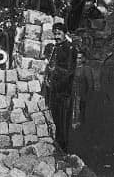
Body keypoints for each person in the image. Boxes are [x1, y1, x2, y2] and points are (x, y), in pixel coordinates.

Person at [43, 23, 76, 152]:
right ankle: (57, 146)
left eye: (59, 34)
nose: (56, 37)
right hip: (54, 90)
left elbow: (69, 71)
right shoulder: (55, 48)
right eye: (54, 34)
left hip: (64, 91)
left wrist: (55, 71)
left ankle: (63, 149)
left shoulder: (70, 49)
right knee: (55, 118)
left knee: (63, 120)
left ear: (65, 34)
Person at [71, 50, 93, 130]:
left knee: (81, 114)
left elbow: (90, 85)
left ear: (83, 59)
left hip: (82, 96)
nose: (78, 60)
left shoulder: (87, 69)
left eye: (80, 58)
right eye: (77, 58)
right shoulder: (72, 68)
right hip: (72, 94)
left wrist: (88, 97)